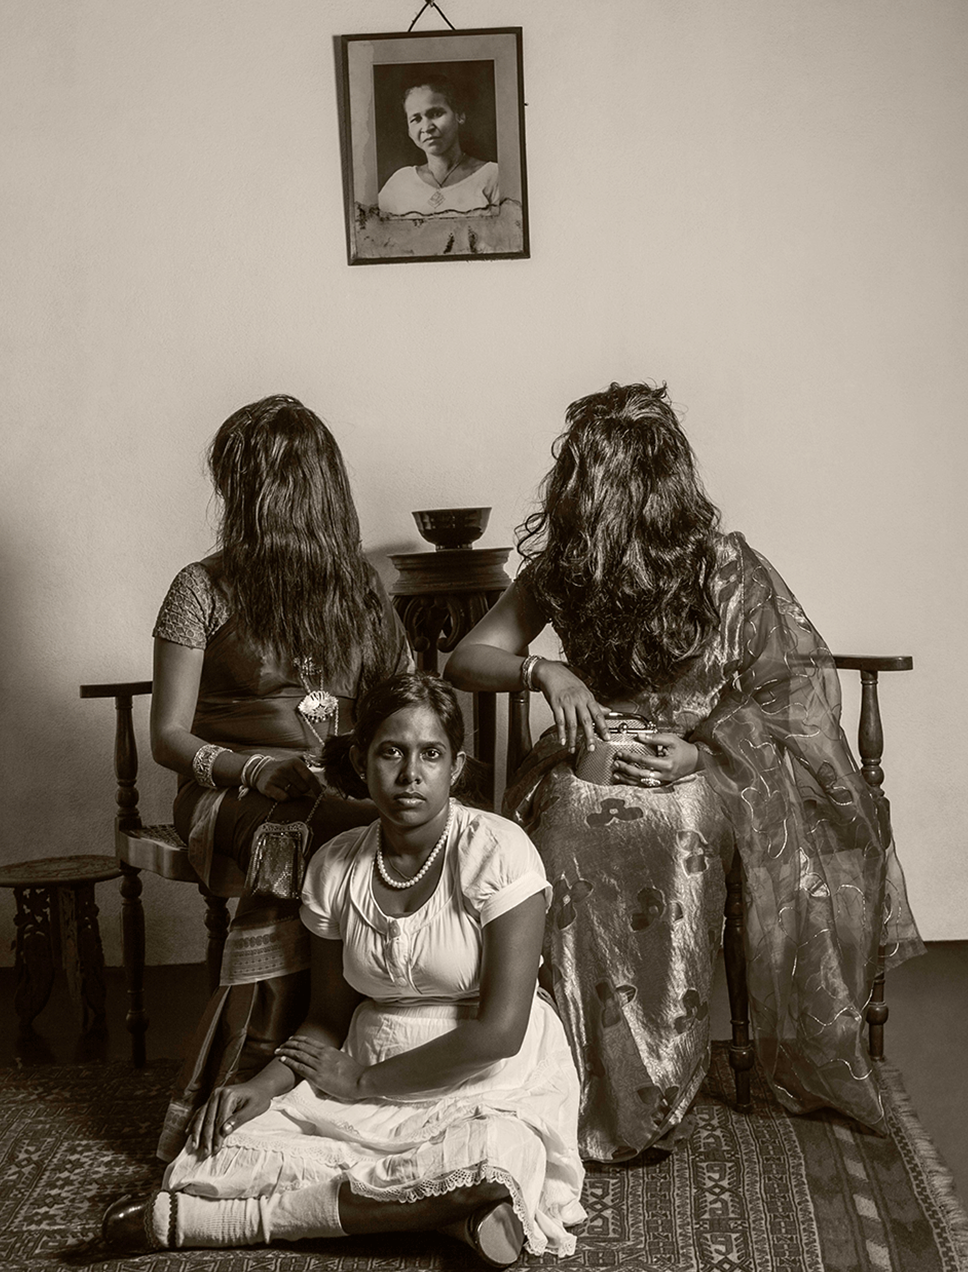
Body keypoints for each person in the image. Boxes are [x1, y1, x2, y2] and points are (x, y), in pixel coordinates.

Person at [445, 381, 924, 1163]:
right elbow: (469, 657)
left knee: (680, 828)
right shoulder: (565, 569)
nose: (588, 494)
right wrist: (546, 676)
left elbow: (773, 694)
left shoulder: (725, 566)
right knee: (561, 832)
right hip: (586, 761)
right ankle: (576, 1083)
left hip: (701, 764)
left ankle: (656, 1093)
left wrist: (700, 750)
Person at [103, 672, 586, 1265]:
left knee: (495, 1157)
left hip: (486, 1075)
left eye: (431, 754)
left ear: (456, 768)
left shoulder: (498, 849)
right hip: (369, 1053)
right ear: (360, 761)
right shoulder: (335, 867)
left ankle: (223, 1223)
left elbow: (499, 1033)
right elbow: (328, 1018)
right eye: (391, 752)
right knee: (215, 1153)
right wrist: (262, 1086)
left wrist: (360, 1083)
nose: (411, 775)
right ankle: (450, 1219)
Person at [150, 394, 411, 1161]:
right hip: (228, 792)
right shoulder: (199, 586)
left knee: (430, 829)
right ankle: (261, 1072)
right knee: (326, 834)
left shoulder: (361, 589)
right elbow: (167, 736)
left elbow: (398, 702)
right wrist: (258, 768)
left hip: (339, 784)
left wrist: (381, 764)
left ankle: (391, 1055)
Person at [378, 74, 499, 218]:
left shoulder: (492, 176)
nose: (427, 127)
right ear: (409, 131)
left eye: (435, 113)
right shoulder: (400, 183)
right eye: (416, 119)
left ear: (459, 115)